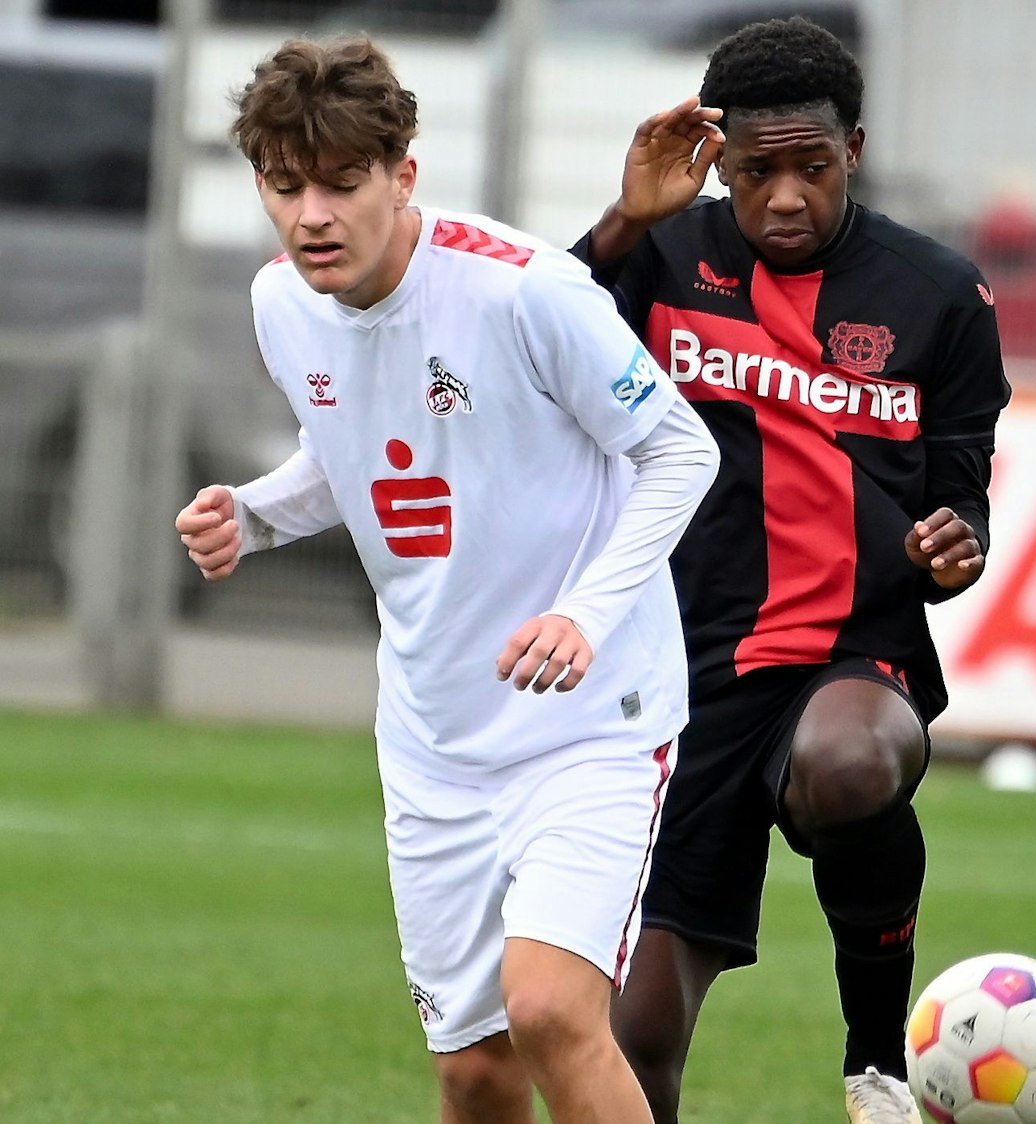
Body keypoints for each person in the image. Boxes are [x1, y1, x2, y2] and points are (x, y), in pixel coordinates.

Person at [173, 36, 720, 1124]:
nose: (311, 215)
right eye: (285, 187)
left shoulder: (526, 292)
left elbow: (682, 449)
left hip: (590, 722)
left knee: (554, 1011)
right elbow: (363, 454)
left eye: (341, 183)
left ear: (403, 173)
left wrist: (584, 612)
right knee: (473, 1072)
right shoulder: (282, 303)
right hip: (433, 739)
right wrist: (256, 514)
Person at [568, 17, 1010, 1124]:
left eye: (810, 167)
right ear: (716, 160)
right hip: (677, 677)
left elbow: (961, 492)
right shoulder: (658, 258)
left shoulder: (939, 294)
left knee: (854, 762)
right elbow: (534, 359)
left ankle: (878, 1065)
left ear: (853, 148)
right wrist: (625, 219)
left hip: (851, 652)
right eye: (755, 171)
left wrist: (956, 540)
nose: (784, 199)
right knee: (633, 1039)